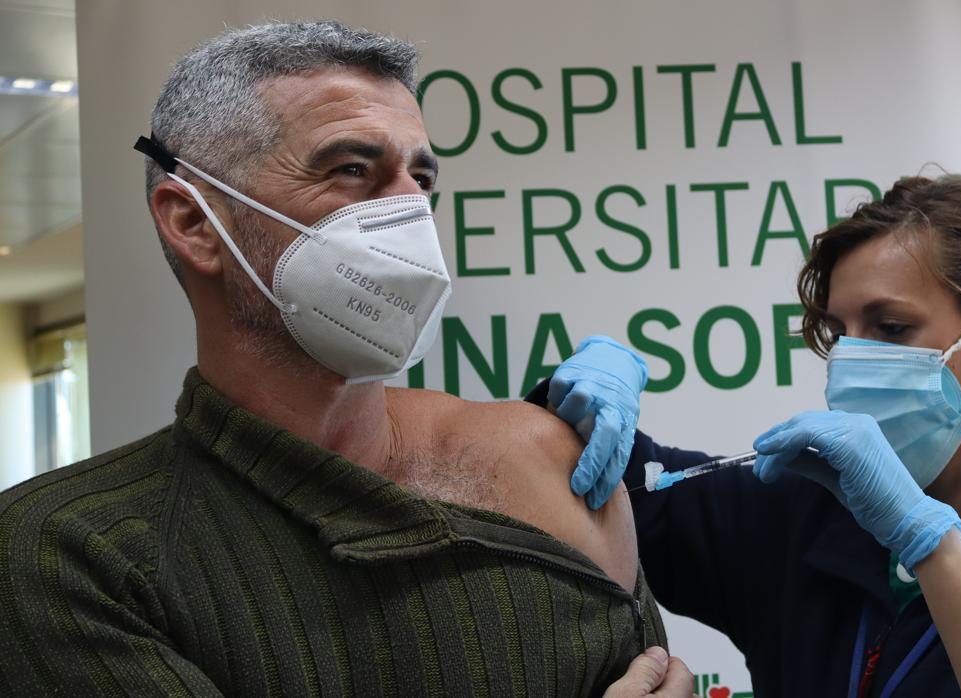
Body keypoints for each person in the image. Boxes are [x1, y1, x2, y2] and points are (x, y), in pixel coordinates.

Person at [0, 21, 692, 697]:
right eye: (352, 170)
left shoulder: (539, 460)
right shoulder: (73, 552)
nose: (410, 215)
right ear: (194, 224)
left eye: (421, 179)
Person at [541, 176, 961, 696]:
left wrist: (926, 541)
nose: (850, 362)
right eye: (840, 334)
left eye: (891, 329)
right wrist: (578, 400)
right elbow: (604, 481)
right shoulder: (792, 515)